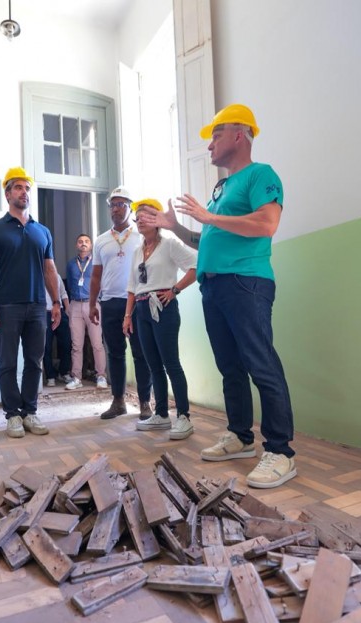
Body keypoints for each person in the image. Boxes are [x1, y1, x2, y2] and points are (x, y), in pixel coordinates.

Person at [137, 104, 297, 489]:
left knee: (261, 363)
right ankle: (240, 436)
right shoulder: (221, 189)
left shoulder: (261, 174)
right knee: (230, 366)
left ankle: (280, 451)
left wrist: (208, 217)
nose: (209, 145)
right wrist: (178, 227)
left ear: (239, 135)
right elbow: (207, 240)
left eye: (216, 135)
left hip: (246, 282)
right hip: (215, 285)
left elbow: (267, 223)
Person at [0, 167, 59, 438]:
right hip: (7, 306)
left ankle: (30, 412)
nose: (24, 192)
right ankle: (12, 414)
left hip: (37, 306)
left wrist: (56, 302)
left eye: (27, 188)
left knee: (35, 362)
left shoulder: (42, 231)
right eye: (18, 187)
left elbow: (50, 269)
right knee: (8, 363)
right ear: (7, 194)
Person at [123, 199, 198, 439]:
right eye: (137, 217)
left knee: (171, 363)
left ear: (157, 220)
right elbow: (132, 286)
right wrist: (128, 315)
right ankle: (162, 414)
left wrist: (175, 290)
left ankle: (184, 416)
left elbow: (196, 266)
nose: (140, 220)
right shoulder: (137, 251)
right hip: (141, 309)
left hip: (163, 307)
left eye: (146, 215)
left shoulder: (170, 245)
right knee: (153, 364)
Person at [89, 187, 153, 421]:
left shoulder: (141, 236)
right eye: (112, 205)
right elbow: (96, 275)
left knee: (141, 353)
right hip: (109, 303)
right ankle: (118, 401)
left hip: (136, 302)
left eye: (120, 204)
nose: (115, 209)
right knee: (115, 353)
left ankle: (145, 402)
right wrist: (92, 304)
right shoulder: (101, 240)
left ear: (130, 208)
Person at [65, 234, 106, 391]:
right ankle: (76, 378)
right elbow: (70, 284)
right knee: (76, 345)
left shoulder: (96, 262)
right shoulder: (71, 264)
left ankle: (101, 376)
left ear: (91, 245)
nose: (83, 244)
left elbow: (102, 281)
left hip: (92, 304)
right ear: (76, 245)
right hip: (75, 304)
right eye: (80, 241)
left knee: (97, 343)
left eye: (87, 241)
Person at [43, 270, 72, 387]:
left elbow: (63, 294)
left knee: (66, 343)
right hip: (44, 313)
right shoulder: (37, 276)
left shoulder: (57, 276)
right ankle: (50, 376)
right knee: (46, 346)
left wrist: (67, 310)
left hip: (60, 312)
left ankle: (63, 372)